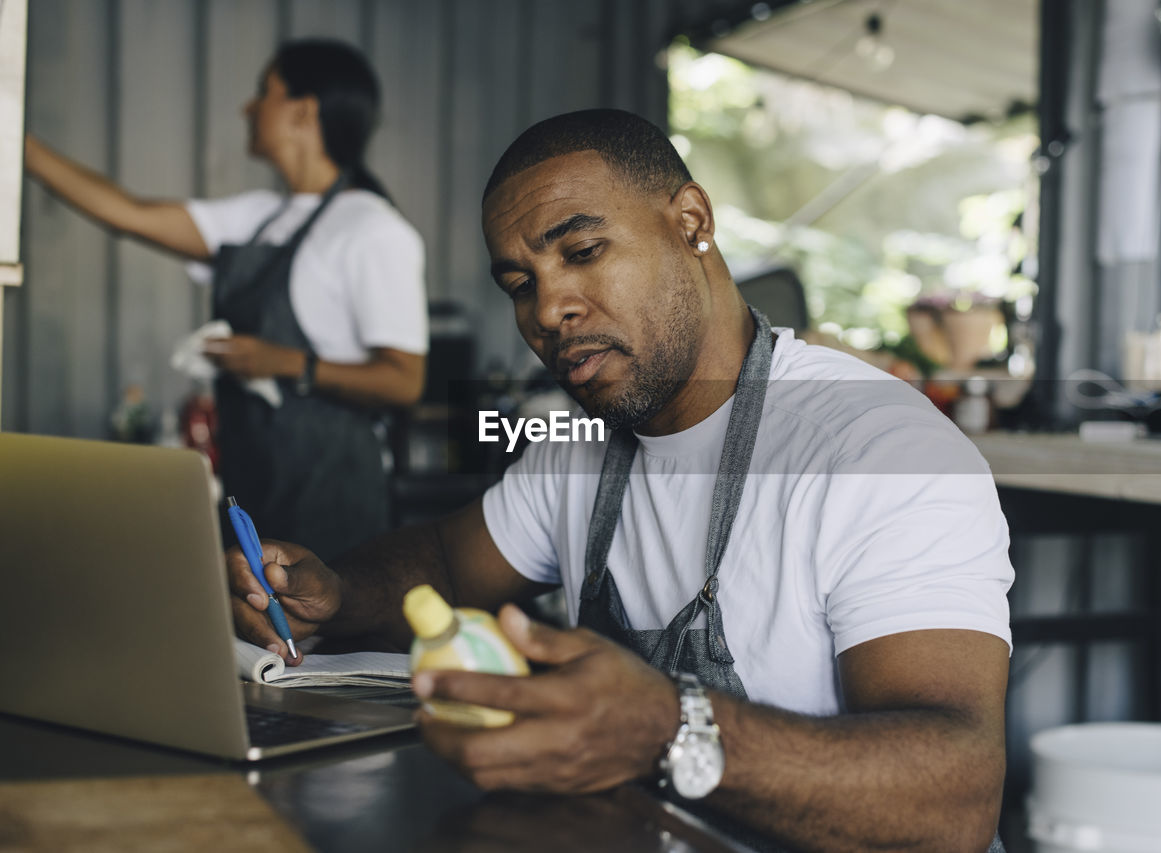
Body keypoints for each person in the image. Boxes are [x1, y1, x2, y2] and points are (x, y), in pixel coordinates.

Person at [228, 109, 1013, 852]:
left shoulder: (877, 451)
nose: (550, 308)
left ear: (693, 223)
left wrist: (668, 728)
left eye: (581, 252)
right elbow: (441, 559)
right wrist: (337, 590)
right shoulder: (578, 449)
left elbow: (956, 799)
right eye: (519, 283)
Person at [24, 39, 427, 567]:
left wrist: (282, 362)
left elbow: (404, 381)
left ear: (304, 112)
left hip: (332, 499)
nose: (249, 106)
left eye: (265, 92)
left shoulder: (371, 229)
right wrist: (15, 140)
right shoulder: (260, 216)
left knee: (327, 645)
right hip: (254, 486)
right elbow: (126, 213)